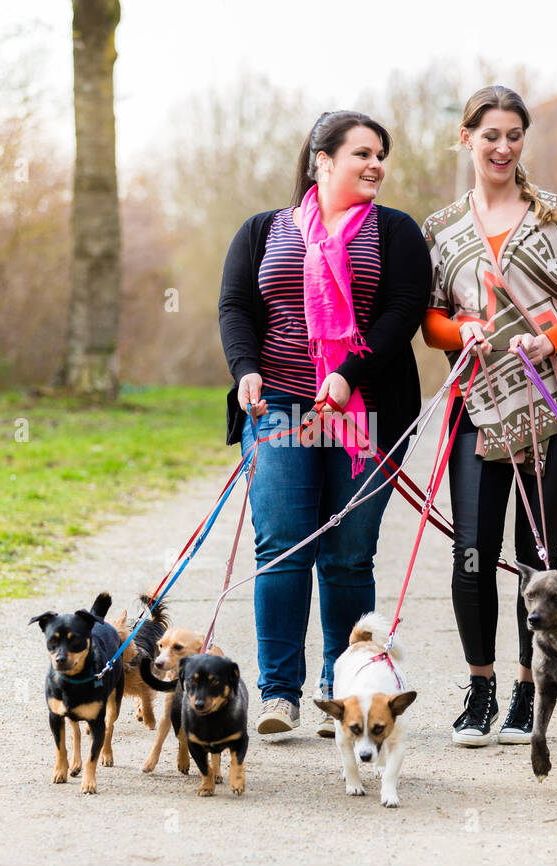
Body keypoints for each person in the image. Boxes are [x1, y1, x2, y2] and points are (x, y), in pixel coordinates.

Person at [421, 86, 557, 747]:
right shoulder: (440, 229)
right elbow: (430, 320)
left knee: (534, 555)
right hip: (478, 404)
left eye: (514, 134)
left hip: (555, 395)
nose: (502, 146)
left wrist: (548, 339)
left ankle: (528, 688)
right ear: (466, 139)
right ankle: (480, 688)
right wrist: (461, 334)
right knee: (472, 550)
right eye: (489, 134)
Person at [218, 111, 432, 736]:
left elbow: (401, 313)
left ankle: (343, 691)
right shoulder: (265, 230)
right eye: (362, 153)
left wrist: (347, 371)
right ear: (322, 159)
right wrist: (244, 369)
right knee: (281, 545)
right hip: (280, 407)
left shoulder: (395, 232)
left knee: (345, 556)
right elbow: (235, 306)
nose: (375, 165)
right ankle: (279, 694)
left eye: (381, 155)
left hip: (362, 412)